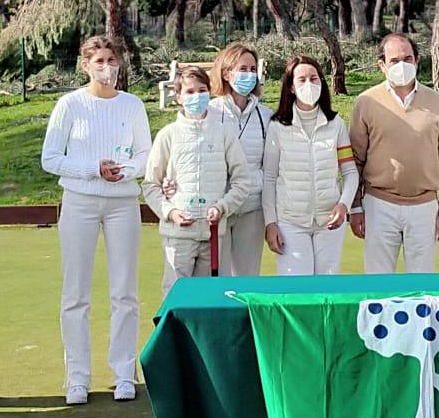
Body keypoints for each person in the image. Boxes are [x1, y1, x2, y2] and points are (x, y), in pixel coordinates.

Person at [40, 34, 152, 405]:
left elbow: (144, 156)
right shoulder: (69, 105)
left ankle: (123, 373)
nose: (107, 67)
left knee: (124, 292)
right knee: (76, 294)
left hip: (123, 204)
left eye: (111, 60)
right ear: (85, 65)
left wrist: (126, 170)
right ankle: (77, 377)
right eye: (99, 61)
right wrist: (93, 169)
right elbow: (51, 158)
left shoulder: (133, 105)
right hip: (80, 203)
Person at [348, 32, 439, 273]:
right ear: (382, 65)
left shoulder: (438, 102)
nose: (402, 65)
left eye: (407, 59)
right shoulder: (366, 103)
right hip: (379, 205)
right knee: (379, 287)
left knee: (422, 289)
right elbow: (355, 160)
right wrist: (355, 207)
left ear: (417, 61)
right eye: (394, 61)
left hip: (424, 207)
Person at [144, 65, 255, 290]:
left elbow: (242, 181)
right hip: (178, 235)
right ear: (178, 97)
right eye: (190, 92)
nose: (197, 96)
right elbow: (151, 185)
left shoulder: (224, 133)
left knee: (210, 297)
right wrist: (171, 212)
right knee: (176, 294)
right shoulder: (168, 135)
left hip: (213, 233)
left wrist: (223, 207)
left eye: (202, 90)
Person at [262, 55, 359, 276]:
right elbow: (269, 178)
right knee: (296, 289)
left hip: (330, 223)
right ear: (291, 87)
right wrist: (270, 223)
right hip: (290, 222)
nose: (309, 84)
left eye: (314, 79)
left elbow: (350, 172)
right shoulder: (277, 127)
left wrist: (343, 205)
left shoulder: (336, 125)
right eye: (302, 79)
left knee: (327, 290)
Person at [208, 43, 269, 276]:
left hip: (253, 208)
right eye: (243, 68)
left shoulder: (265, 116)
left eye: (253, 69)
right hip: (219, 208)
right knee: (219, 279)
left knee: (248, 277)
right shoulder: (210, 112)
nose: (249, 75)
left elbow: (269, 165)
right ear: (226, 73)